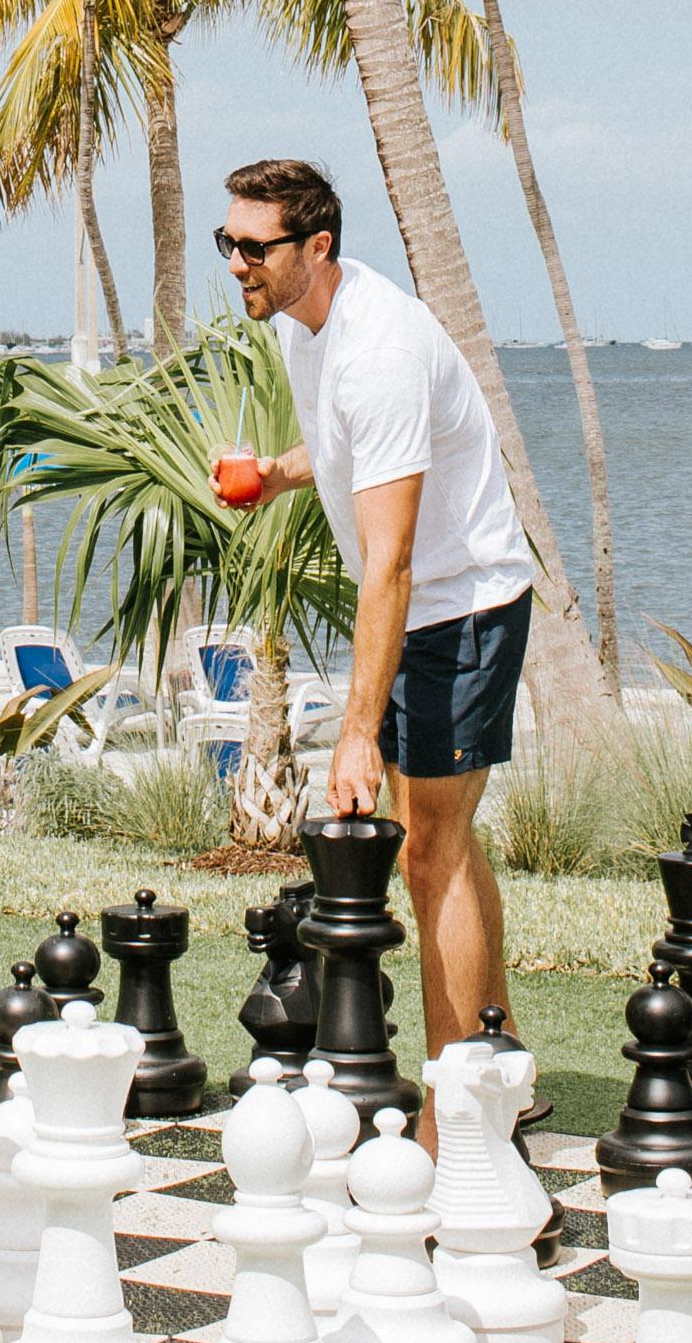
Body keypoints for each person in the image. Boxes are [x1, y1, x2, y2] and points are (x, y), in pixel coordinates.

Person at [210, 155, 531, 1074]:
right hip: (416, 605)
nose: (237, 262)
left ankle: (457, 1108)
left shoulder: (380, 347)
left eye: (254, 247)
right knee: (445, 844)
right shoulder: (299, 323)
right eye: (227, 242)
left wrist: (356, 733)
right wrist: (277, 474)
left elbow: (386, 564)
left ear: (318, 245)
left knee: (428, 854)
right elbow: (347, 441)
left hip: (459, 610)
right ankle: (498, 1064)